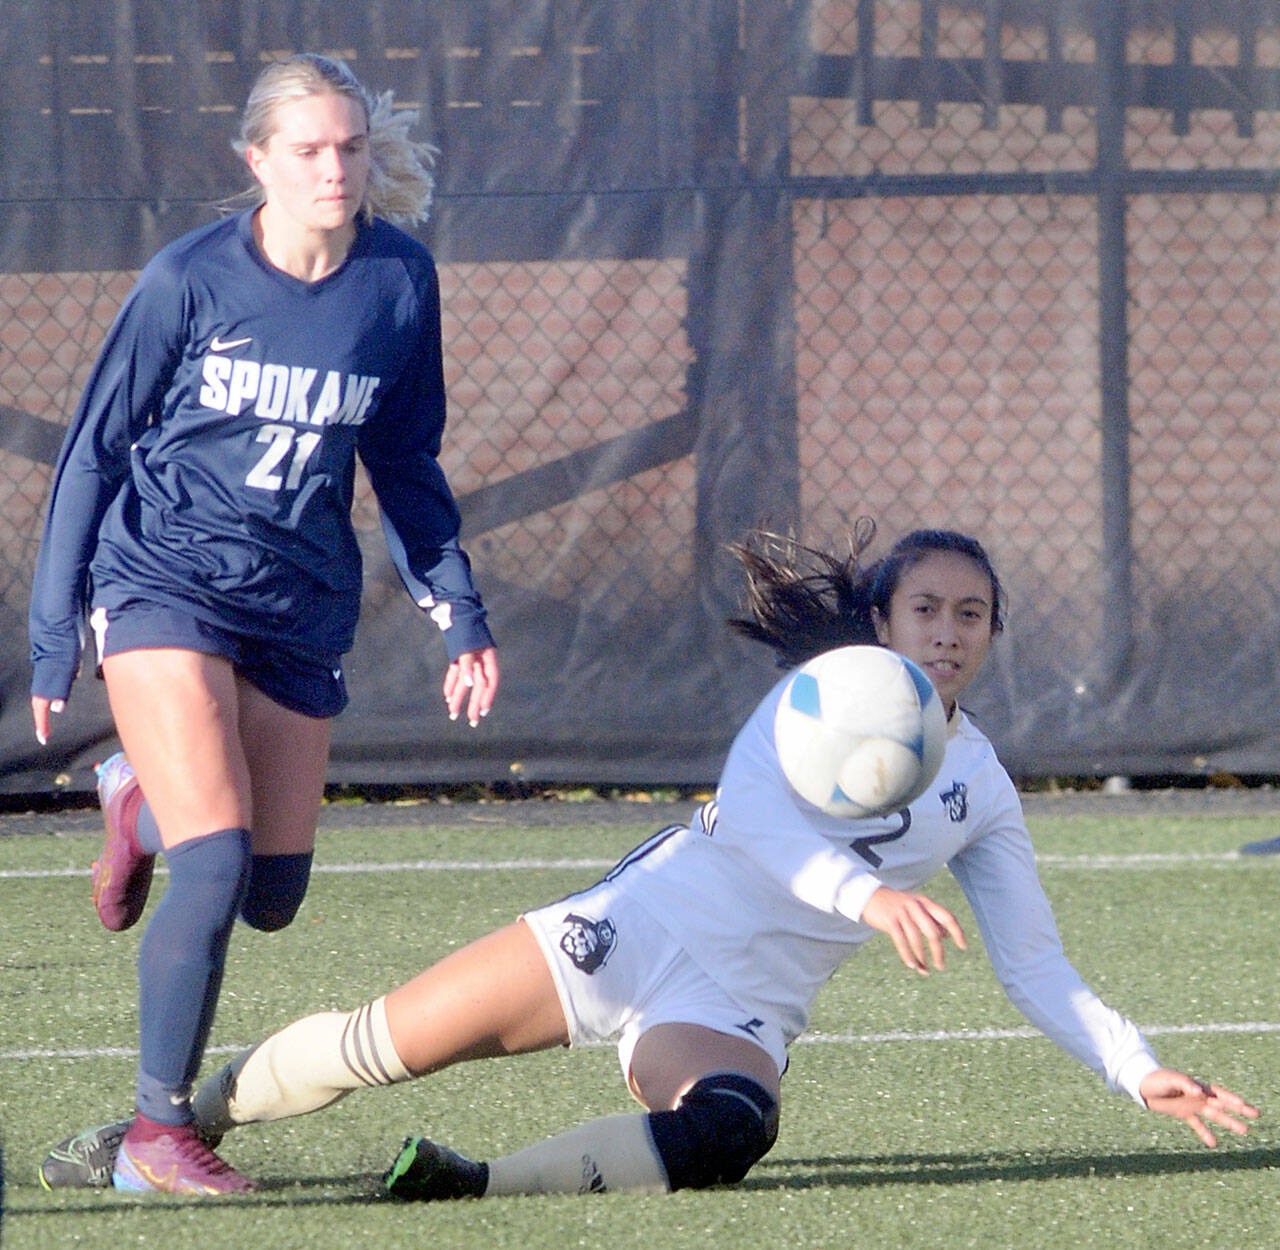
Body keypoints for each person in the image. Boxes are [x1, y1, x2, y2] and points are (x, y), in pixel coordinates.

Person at [41, 525, 1256, 1199]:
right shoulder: (805, 700)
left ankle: (467, 1187)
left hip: (737, 1007)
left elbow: (1032, 961)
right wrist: (867, 891)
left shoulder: (979, 786)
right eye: (924, 608)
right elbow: (763, 826)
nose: (946, 631)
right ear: (879, 620)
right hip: (631, 932)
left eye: (970, 614)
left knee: (730, 1128)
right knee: (379, 1042)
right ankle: (163, 1125)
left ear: (991, 633)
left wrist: (1134, 1067)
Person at [29, 53, 498, 1196]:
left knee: (271, 893)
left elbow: (403, 457)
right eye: (305, 149)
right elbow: (93, 450)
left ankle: (135, 803)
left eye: (347, 147)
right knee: (217, 861)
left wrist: (460, 613)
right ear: (256, 161)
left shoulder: (397, 280)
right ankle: (155, 1130)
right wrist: (53, 628)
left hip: (298, 599)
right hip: (163, 581)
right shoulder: (188, 280)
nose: (333, 168)